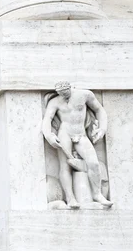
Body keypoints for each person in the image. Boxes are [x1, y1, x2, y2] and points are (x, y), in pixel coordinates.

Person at [42, 81, 113, 209]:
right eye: (61, 94)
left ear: (70, 88)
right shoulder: (55, 102)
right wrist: (49, 136)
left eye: (66, 93)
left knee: (94, 163)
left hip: (81, 133)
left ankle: (97, 194)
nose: (65, 96)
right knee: (65, 166)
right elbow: (47, 119)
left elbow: (99, 109)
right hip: (65, 133)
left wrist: (102, 129)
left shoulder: (85, 95)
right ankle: (70, 198)